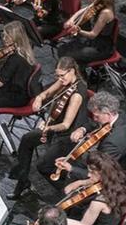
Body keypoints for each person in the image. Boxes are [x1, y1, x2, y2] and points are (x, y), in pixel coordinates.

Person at [10, 58, 85, 198]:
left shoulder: (76, 95)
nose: (59, 79)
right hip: (53, 127)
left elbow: (66, 125)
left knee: (43, 166)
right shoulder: (64, 81)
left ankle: (69, 192)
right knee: (27, 139)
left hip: (66, 137)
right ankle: (22, 181)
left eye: (62, 75)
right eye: (57, 75)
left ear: (72, 71)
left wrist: (48, 128)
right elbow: (47, 93)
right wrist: (39, 98)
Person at [49, 90, 126, 187]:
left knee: (69, 178)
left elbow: (98, 175)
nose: (94, 119)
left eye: (97, 116)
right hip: (104, 156)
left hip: (112, 176)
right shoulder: (119, 114)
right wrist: (82, 129)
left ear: (108, 114)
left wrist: (71, 168)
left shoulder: (112, 143)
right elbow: (95, 123)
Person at [56, 0, 117, 68]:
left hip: (100, 47)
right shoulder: (97, 4)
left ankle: (79, 74)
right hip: (91, 41)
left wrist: (79, 31)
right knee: (61, 49)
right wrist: (71, 20)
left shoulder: (105, 12)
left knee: (69, 56)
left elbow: (93, 35)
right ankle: (76, 71)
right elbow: (83, 10)